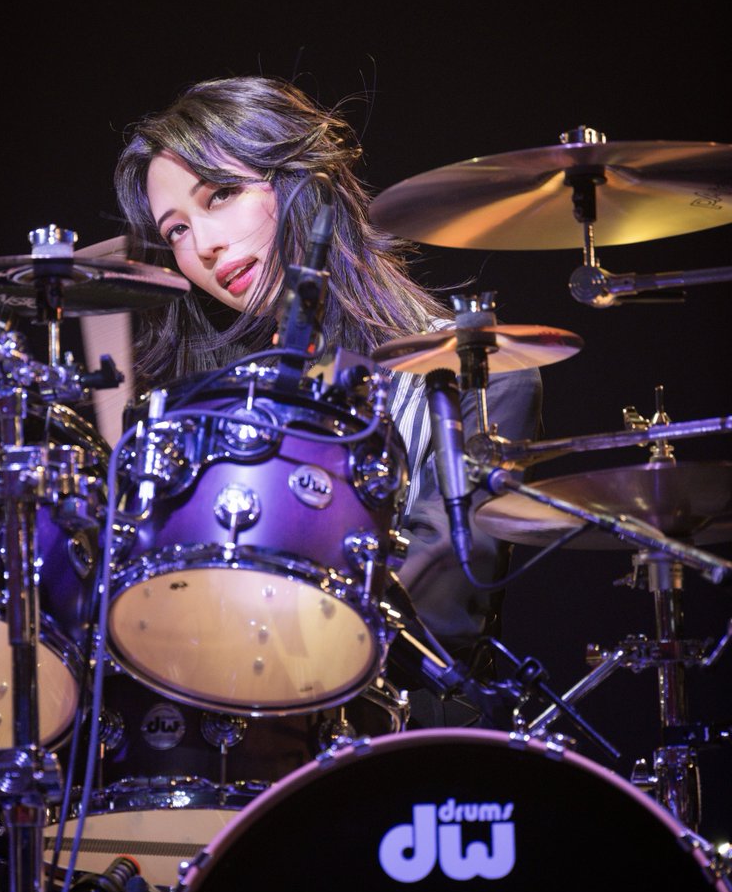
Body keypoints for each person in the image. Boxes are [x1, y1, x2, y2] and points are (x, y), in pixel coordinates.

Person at [113, 74, 542, 728]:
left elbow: (443, 611)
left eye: (220, 194)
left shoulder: (480, 375)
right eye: (175, 231)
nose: (202, 246)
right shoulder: (198, 410)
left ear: (304, 183)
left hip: (398, 742)